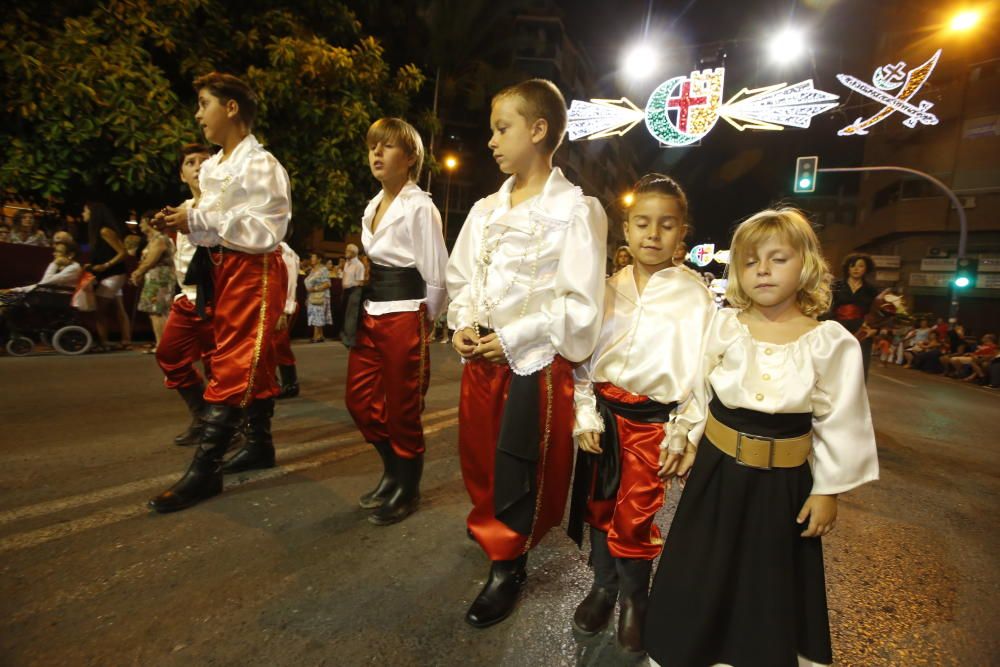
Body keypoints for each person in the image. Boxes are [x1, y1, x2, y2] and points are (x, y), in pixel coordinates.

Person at [644, 208, 879, 667]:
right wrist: (687, 439)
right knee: (703, 565)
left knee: (769, 576)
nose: (763, 271)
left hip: (785, 484)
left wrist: (828, 489)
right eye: (751, 262)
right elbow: (700, 389)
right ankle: (688, 651)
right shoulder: (725, 325)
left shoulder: (829, 341)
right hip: (717, 474)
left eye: (778, 259)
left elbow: (840, 420)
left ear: (806, 265)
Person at [447, 79, 607, 628]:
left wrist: (515, 336)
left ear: (538, 131)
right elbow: (465, 276)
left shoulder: (575, 211)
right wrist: (463, 322)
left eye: (502, 129)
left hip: (531, 362)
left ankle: (508, 562)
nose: (491, 141)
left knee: (518, 467)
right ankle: (492, 529)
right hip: (482, 358)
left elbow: (581, 305)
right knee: (478, 455)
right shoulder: (487, 209)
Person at [568, 174, 714, 653]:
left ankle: (636, 597)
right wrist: (585, 413)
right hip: (605, 417)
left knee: (634, 514)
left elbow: (702, 372)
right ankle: (602, 587)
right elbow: (584, 361)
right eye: (642, 223)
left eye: (666, 225)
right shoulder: (606, 289)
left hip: (653, 424)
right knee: (599, 506)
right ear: (626, 229)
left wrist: (686, 433)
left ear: (681, 234)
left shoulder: (696, 297)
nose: (653, 234)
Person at [149, 71, 291, 511]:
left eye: (204, 104)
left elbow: (268, 231)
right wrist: (181, 218)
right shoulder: (214, 166)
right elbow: (208, 221)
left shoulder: (261, 165)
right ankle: (260, 446)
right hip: (222, 268)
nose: (198, 115)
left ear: (231, 108)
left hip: (255, 269)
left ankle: (205, 469)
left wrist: (198, 222)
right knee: (253, 360)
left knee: (231, 363)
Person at [344, 117, 449, 526]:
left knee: (403, 408)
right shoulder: (373, 204)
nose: (376, 153)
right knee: (359, 401)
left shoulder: (419, 206)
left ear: (410, 158)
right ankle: (392, 469)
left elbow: (437, 273)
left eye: (386, 147)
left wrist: (426, 321)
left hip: (405, 312)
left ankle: (408, 486)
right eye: (373, 145)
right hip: (372, 310)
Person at [155, 143, 218, 447]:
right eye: (191, 163)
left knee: (218, 368)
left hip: (217, 300)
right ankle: (202, 415)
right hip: (187, 299)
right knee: (168, 355)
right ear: (182, 174)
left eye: (205, 161)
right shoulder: (180, 208)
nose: (199, 167)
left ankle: (226, 429)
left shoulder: (223, 207)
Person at [83, 201, 132, 351]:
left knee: (100, 309)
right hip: (112, 274)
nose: (83, 214)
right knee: (119, 308)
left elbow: (123, 252)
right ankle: (125, 340)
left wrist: (105, 265)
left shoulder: (104, 231)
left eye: (85, 211)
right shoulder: (101, 231)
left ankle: (103, 342)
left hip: (113, 274)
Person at [130, 211, 176, 352]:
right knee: (155, 311)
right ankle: (161, 343)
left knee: (158, 310)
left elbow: (152, 259)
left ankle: (163, 345)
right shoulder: (153, 239)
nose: (140, 225)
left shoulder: (160, 239)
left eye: (142, 222)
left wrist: (138, 271)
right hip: (155, 277)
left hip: (160, 278)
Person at [828, 253, 878, 380]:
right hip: (837, 330)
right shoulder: (836, 286)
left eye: (860, 266)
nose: (856, 269)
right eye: (852, 266)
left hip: (862, 331)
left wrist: (874, 329)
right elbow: (827, 308)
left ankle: (855, 397)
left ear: (866, 269)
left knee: (859, 367)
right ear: (847, 268)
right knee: (834, 366)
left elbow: (877, 313)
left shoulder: (871, 290)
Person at [274, 241, 301, 398]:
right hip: (272, 305)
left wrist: (284, 310)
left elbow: (291, 281)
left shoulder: (285, 251)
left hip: (281, 306)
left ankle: (290, 384)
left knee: (279, 344)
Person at [339, 243, 365, 347]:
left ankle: (350, 339)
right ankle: (344, 337)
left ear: (354, 253)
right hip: (346, 291)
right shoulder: (347, 263)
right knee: (345, 313)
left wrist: (349, 284)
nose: (346, 252)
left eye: (348, 250)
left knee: (351, 316)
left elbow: (361, 282)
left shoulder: (359, 265)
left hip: (354, 291)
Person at [304, 252, 332, 342]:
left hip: (320, 295)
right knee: (315, 314)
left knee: (318, 315)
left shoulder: (323, 269)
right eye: (311, 257)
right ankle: (320, 335)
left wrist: (315, 289)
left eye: (313, 257)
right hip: (312, 296)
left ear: (319, 259)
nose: (312, 259)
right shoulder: (313, 270)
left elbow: (328, 284)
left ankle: (316, 336)